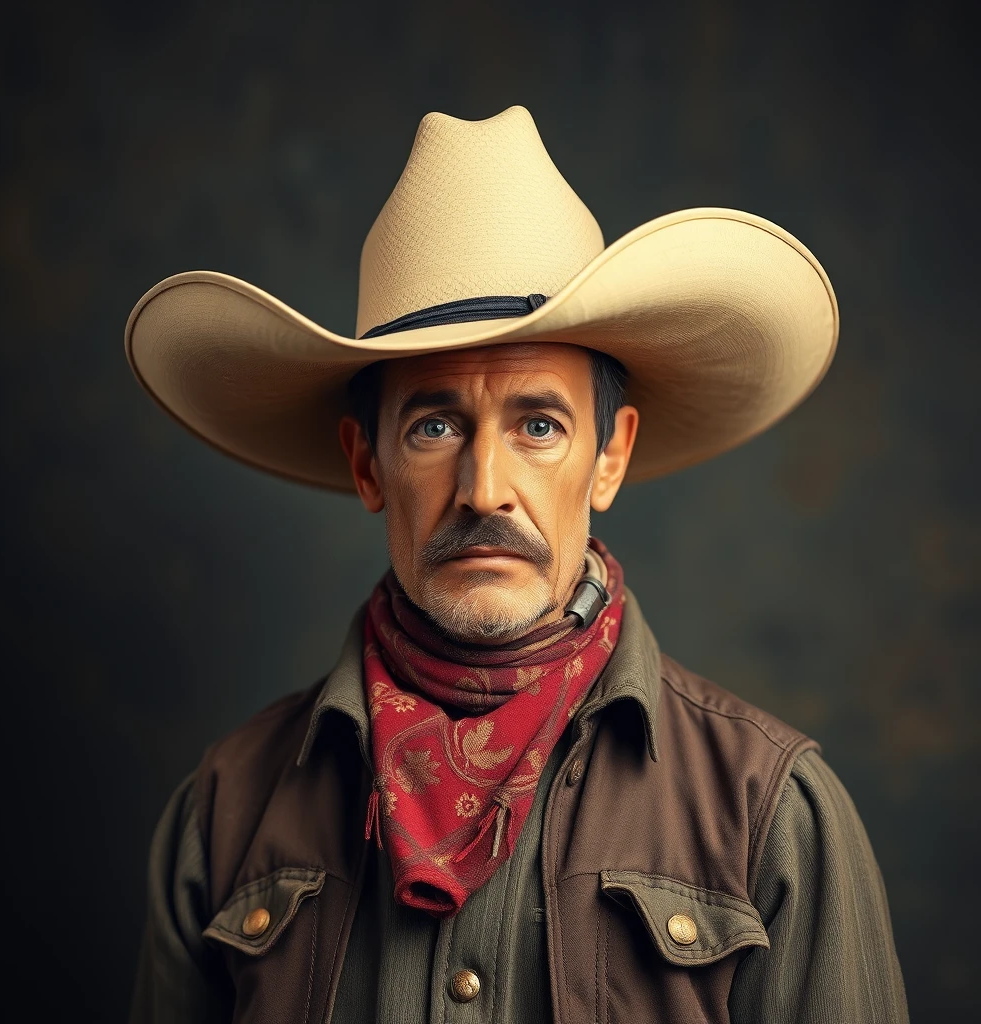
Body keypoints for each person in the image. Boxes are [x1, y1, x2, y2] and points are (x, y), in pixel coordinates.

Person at [125, 105, 909, 1023]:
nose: (484, 488)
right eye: (434, 425)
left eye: (539, 425)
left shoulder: (772, 817)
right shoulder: (224, 815)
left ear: (609, 456)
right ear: (366, 462)